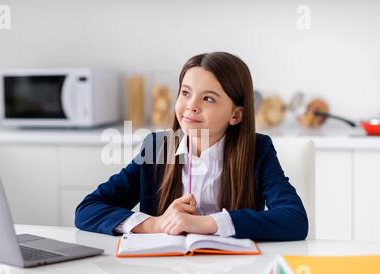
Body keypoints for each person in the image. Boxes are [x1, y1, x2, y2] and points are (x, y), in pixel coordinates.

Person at [75, 52, 308, 241]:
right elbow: (88, 210)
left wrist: (208, 223)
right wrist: (155, 224)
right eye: (186, 93)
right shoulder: (157, 148)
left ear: (236, 115)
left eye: (208, 98)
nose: (191, 106)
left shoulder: (258, 150)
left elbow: (294, 220)